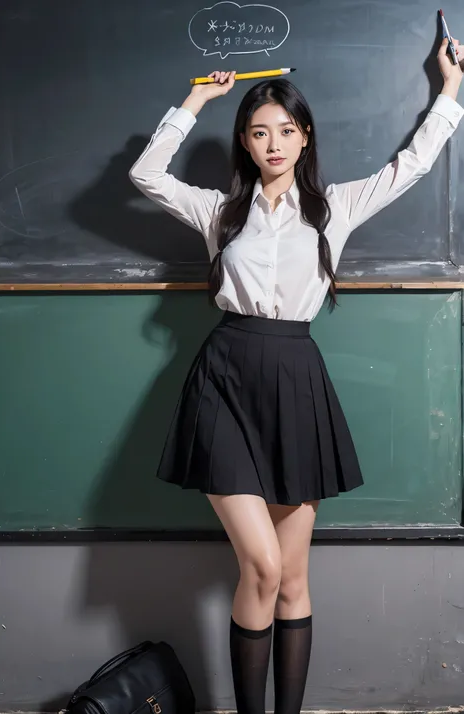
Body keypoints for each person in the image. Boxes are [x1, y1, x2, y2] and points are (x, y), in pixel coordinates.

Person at [129, 37, 463, 714]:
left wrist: (451, 89)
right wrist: (196, 99)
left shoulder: (334, 209)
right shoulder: (219, 213)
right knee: (261, 565)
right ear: (246, 145)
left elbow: (414, 165)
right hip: (224, 379)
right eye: (259, 132)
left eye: (285, 130)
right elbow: (145, 176)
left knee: (292, 579)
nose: (273, 143)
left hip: (295, 381)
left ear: (304, 138)